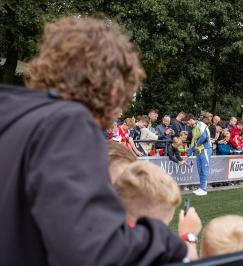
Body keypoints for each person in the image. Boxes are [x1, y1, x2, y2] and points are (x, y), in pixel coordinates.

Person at [0, 17, 202, 266]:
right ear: (113, 87)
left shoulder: (13, 114)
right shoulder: (67, 122)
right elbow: (91, 250)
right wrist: (172, 239)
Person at [184, 114, 212, 196]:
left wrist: (196, 145)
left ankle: (203, 189)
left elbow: (204, 136)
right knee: (200, 170)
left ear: (191, 120)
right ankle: (201, 188)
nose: (187, 124)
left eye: (187, 123)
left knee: (204, 169)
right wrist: (187, 155)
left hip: (206, 149)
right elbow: (193, 142)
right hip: (199, 151)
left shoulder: (201, 124)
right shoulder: (193, 129)